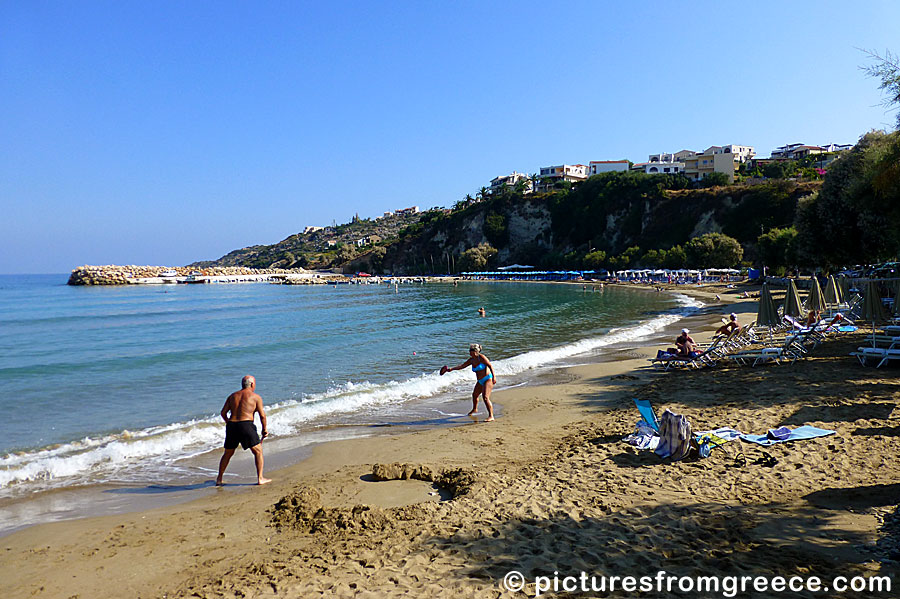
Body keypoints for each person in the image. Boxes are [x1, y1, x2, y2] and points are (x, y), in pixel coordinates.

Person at [216, 375, 271, 486]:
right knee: (258, 451)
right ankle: (260, 478)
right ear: (252, 384)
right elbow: (262, 416)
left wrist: (229, 423)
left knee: (228, 453)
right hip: (246, 425)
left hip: (232, 426)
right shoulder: (255, 397)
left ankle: (219, 479)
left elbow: (223, 413)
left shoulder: (232, 396)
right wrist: (264, 429)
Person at [440, 343, 496, 421]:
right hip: (480, 381)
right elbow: (462, 366)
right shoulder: (471, 360)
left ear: (476, 351)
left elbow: (490, 366)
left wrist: (494, 377)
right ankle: (474, 409)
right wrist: (451, 369)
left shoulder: (481, 358)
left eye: (471, 351)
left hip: (488, 379)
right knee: (475, 395)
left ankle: (491, 416)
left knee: (485, 397)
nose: (469, 352)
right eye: (469, 351)